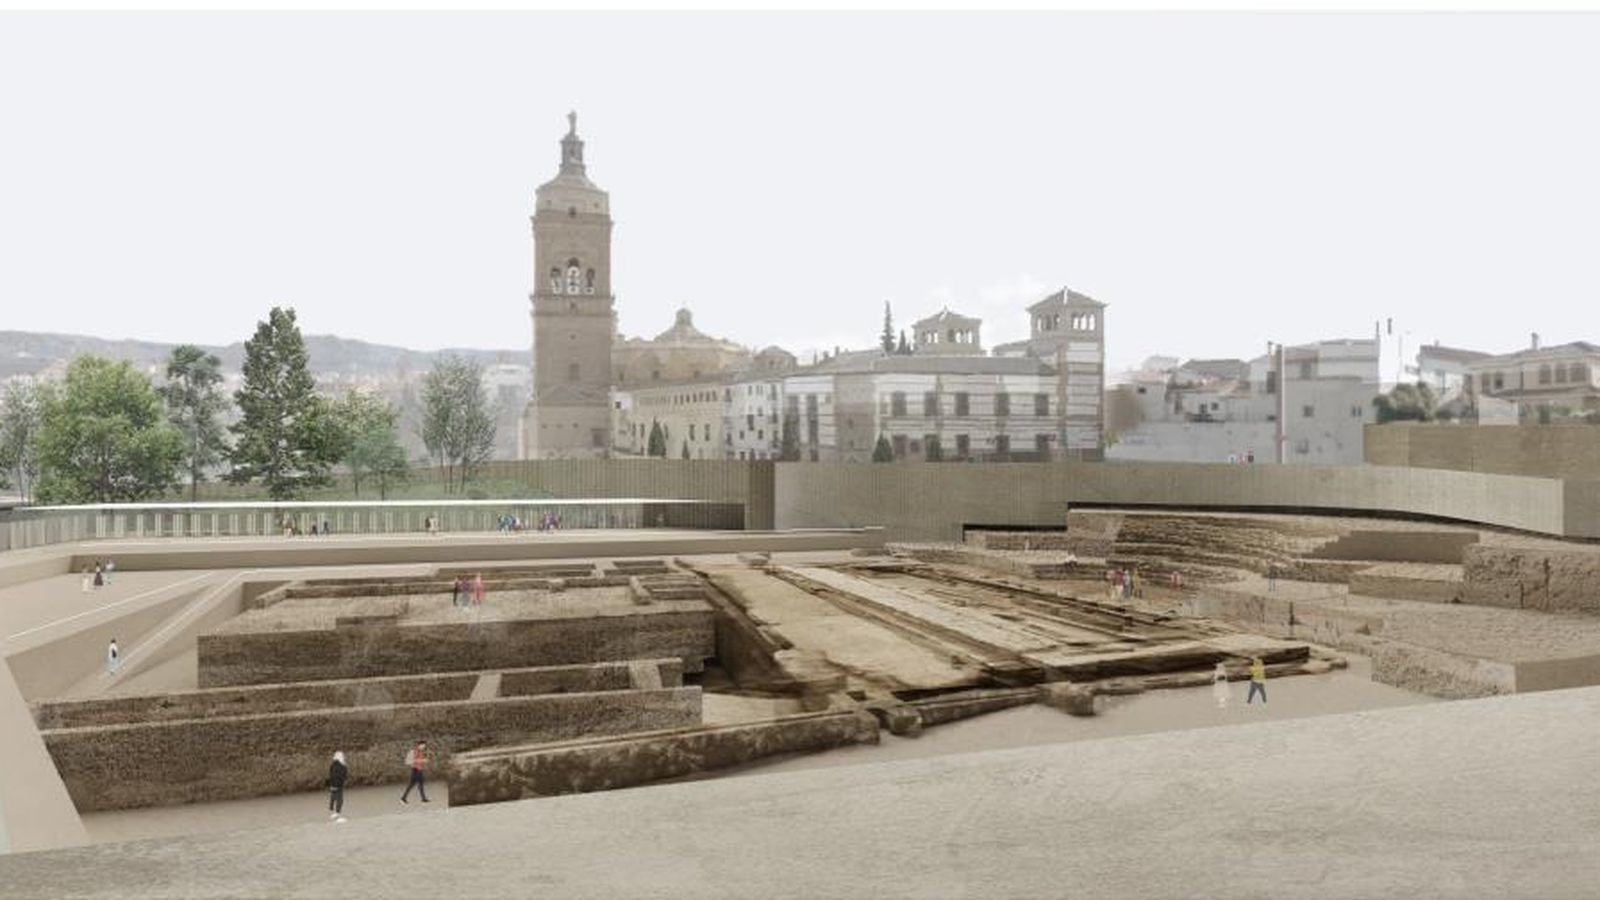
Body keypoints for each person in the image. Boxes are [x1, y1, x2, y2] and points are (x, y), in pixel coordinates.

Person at [328, 751, 349, 822]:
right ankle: (337, 813)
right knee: (339, 799)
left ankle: (332, 811)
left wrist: (331, 785)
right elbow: (343, 776)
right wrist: (340, 783)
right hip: (338, 785)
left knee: (333, 797)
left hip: (333, 784)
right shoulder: (342, 766)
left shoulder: (332, 765)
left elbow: (330, 775)